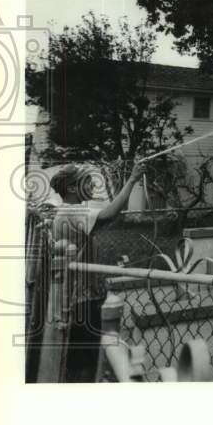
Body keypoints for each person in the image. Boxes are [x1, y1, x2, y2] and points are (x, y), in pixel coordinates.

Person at [47, 161, 146, 381]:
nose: (93, 184)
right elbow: (110, 214)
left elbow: (115, 211)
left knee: (84, 357)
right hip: (83, 298)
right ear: (72, 188)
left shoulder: (67, 211)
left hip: (77, 295)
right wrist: (132, 179)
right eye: (87, 181)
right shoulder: (73, 211)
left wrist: (128, 184)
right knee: (86, 361)